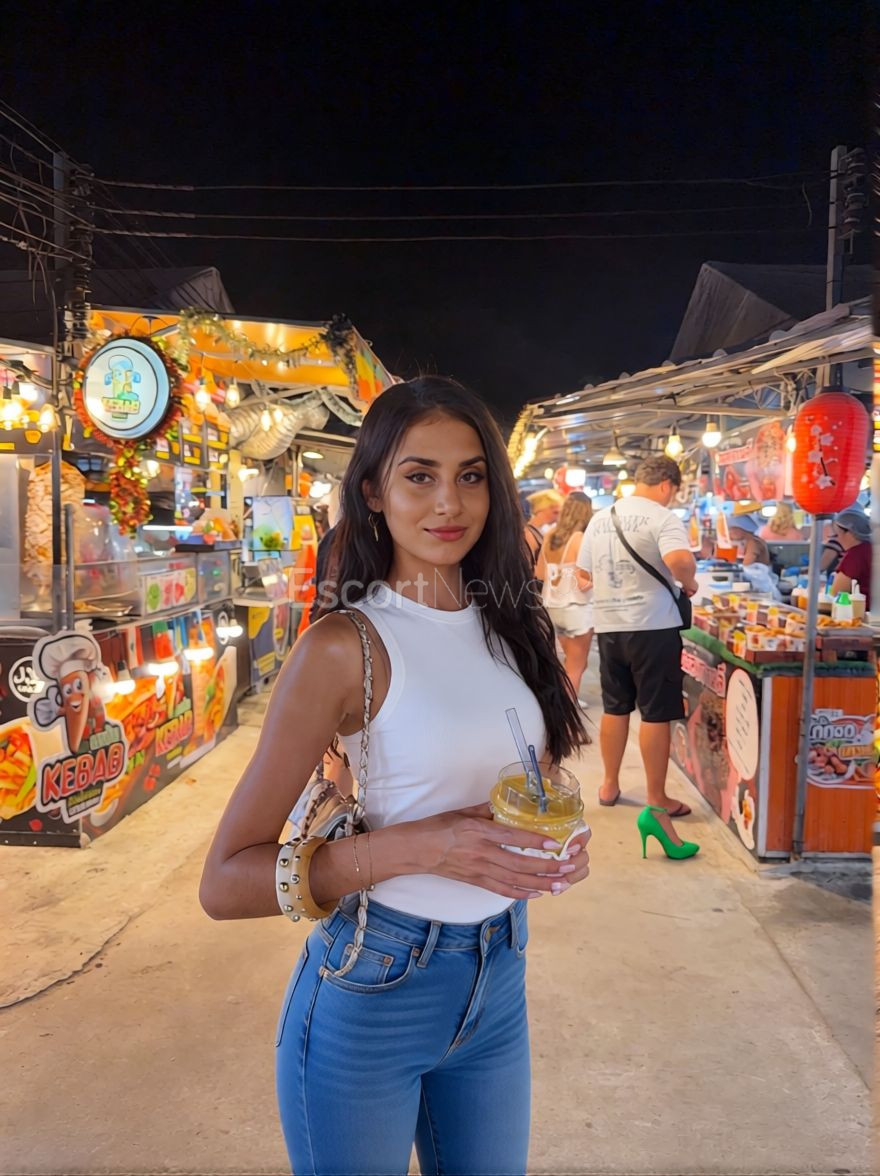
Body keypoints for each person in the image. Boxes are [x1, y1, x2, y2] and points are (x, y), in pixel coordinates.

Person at [200, 377, 591, 1176]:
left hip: (498, 975)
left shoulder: (514, 626)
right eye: (420, 476)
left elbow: (529, 770)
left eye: (471, 475)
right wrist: (423, 845)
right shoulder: (343, 646)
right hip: (373, 985)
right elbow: (225, 883)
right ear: (374, 491)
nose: (449, 502)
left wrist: (554, 839)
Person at [576, 454, 697, 823]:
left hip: (610, 627)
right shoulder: (662, 517)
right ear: (666, 485)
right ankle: (657, 797)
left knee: (615, 707)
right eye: (673, 491)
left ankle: (609, 785)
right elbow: (679, 560)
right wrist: (689, 582)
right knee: (655, 713)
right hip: (653, 626)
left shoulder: (600, 519)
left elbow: (583, 574)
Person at [535, 491, 594, 701]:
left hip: (553, 607)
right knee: (576, 667)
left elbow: (539, 573)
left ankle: (563, 703)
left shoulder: (550, 535)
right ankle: (567, 712)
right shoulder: (579, 539)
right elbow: (583, 582)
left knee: (568, 664)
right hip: (576, 609)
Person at [829, 506, 872, 609]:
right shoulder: (871, 548)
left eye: (837, 535)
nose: (837, 540)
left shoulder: (855, 555)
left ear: (849, 532)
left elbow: (836, 593)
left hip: (863, 613)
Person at [523, 488, 562, 564]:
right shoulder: (528, 534)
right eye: (555, 512)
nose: (558, 517)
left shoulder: (542, 531)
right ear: (540, 511)